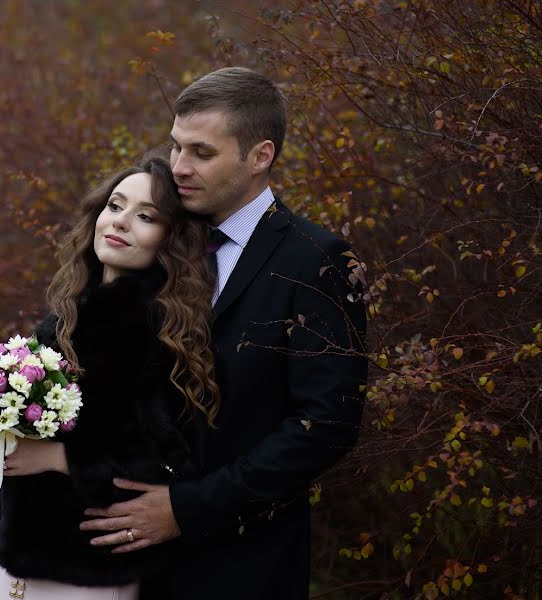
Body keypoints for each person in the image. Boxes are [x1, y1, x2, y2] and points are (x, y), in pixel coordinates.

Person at [79, 67, 368, 598]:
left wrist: (187, 509)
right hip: (129, 566)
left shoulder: (316, 260)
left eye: (201, 153)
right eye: (176, 147)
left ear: (259, 156)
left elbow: (327, 423)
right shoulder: (160, 239)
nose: (179, 167)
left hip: (242, 565)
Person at [0, 156, 220, 599]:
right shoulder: (65, 316)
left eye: (145, 216)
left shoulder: (160, 335)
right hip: (13, 568)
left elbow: (174, 466)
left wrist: (58, 460)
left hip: (88, 575)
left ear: (170, 240)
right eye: (116, 205)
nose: (121, 222)